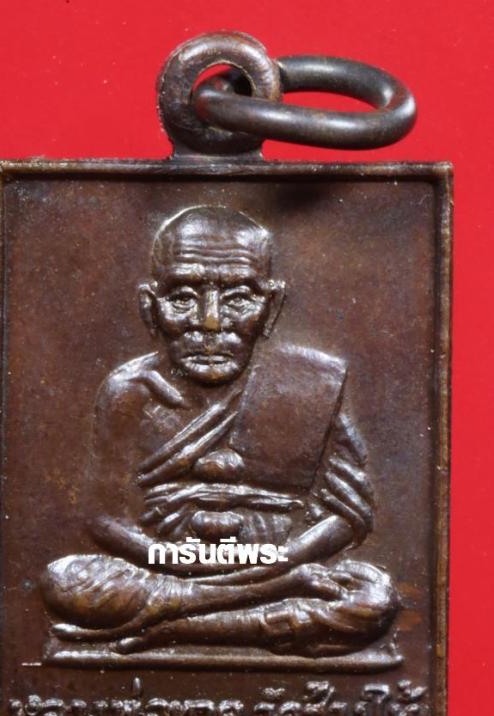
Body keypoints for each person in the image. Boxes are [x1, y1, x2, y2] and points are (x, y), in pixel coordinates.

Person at [41, 206, 397, 657]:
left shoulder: (310, 382)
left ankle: (177, 627)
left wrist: (279, 561)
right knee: (66, 581)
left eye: (238, 299)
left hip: (282, 563)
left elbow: (348, 514)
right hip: (176, 569)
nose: (210, 322)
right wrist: (188, 565)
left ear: (271, 307)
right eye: (183, 298)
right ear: (150, 307)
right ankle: (241, 616)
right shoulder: (129, 391)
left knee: (374, 598)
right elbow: (103, 518)